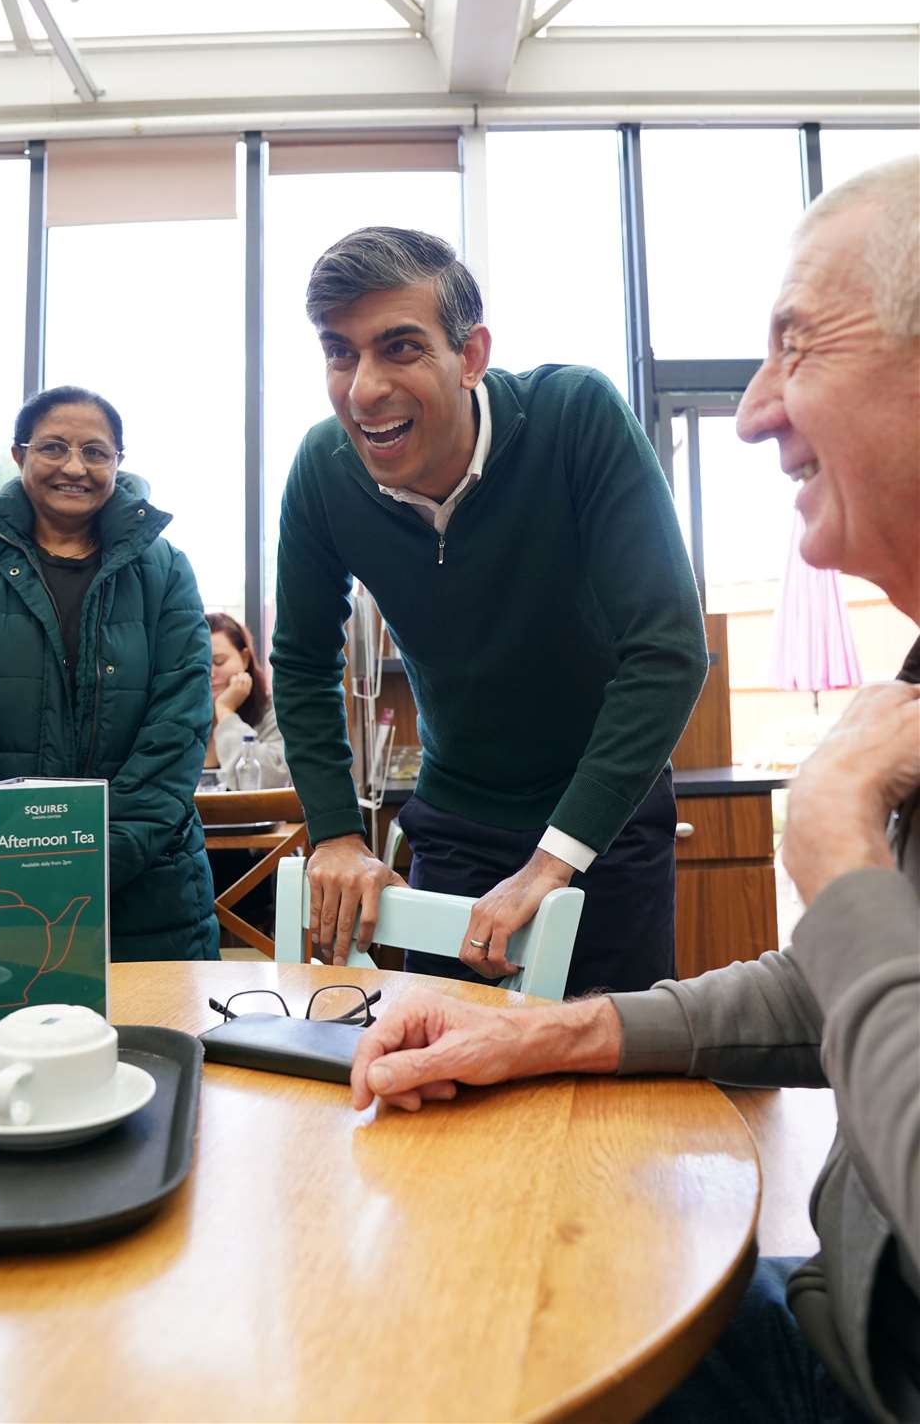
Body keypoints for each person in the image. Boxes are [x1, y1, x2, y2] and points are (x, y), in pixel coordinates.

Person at [349, 157, 920, 1424]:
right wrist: (549, 1034)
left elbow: (668, 648)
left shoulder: (575, 425)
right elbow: (831, 993)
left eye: (795, 345)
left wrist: (842, 869)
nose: (754, 410)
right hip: (829, 1320)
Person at [270, 225, 707, 992]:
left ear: (470, 355)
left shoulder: (574, 416)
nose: (364, 387)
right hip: (456, 818)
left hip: (604, 818)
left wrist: (554, 859)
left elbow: (667, 647)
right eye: (340, 352)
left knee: (616, 1093)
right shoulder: (323, 471)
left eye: (399, 347)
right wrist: (336, 833)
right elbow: (303, 661)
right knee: (438, 1077)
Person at [0, 384, 219, 962]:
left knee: (151, 1046)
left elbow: (180, 725)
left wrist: (93, 860)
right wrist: (1, 862)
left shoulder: (164, 569)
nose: (74, 467)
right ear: (20, 455)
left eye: (96, 452)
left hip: (141, 894)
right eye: (53, 447)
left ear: (118, 463)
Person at [205, 612, 289, 789]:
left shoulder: (271, 711)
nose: (211, 673)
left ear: (244, 658)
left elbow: (271, 781)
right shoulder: (176, 715)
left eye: (219, 661)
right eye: (201, 664)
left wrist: (225, 711)